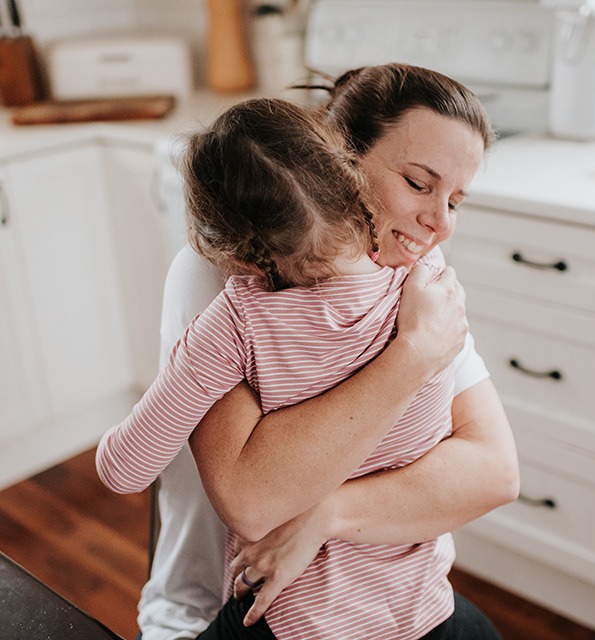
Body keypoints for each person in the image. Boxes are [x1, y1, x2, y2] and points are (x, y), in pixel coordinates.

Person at [136, 64, 519, 640]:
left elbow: (494, 471)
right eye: (418, 183)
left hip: (369, 601)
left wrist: (323, 516)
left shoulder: (408, 278)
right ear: (338, 159)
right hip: (228, 606)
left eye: (456, 199)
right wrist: (413, 354)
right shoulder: (228, 271)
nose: (440, 223)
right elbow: (252, 501)